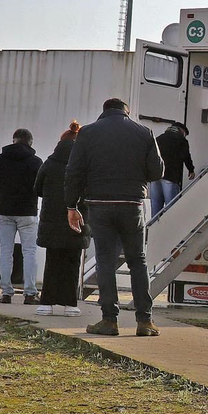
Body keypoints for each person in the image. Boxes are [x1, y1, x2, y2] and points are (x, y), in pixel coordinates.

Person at [63, 98, 165, 337]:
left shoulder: (87, 133)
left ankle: (109, 320)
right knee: (137, 261)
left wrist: (71, 205)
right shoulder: (144, 132)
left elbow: (74, 171)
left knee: (105, 262)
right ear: (126, 112)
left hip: (100, 205)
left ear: (104, 112)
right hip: (132, 205)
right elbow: (157, 171)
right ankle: (145, 321)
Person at [33, 121, 89, 317]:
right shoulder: (84, 164)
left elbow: (37, 188)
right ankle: (70, 304)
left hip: (51, 219)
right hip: (77, 219)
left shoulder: (49, 163)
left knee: (53, 260)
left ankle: (46, 303)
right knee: (72, 262)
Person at [0, 128, 42, 304]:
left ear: (13, 141)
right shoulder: (35, 162)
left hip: (4, 211)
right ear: (30, 143)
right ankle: (30, 293)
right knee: (30, 252)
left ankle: (6, 292)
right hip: (27, 212)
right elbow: (40, 189)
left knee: (5, 252)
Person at [150, 123, 195, 218]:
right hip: (171, 177)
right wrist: (191, 170)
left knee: (155, 205)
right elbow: (186, 156)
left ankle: (154, 230)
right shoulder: (182, 141)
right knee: (171, 207)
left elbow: (150, 156)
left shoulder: (159, 138)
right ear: (181, 131)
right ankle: (170, 230)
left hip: (155, 176)